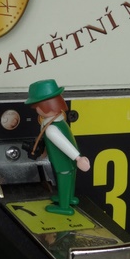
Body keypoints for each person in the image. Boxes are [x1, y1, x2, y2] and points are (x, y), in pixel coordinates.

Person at [25, 79, 90, 215]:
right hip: (70, 159)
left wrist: (78, 158)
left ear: (45, 106)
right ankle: (68, 198)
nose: (36, 109)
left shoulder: (51, 129)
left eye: (37, 106)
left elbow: (64, 144)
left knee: (64, 179)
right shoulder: (59, 121)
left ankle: (64, 206)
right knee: (70, 178)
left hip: (63, 160)